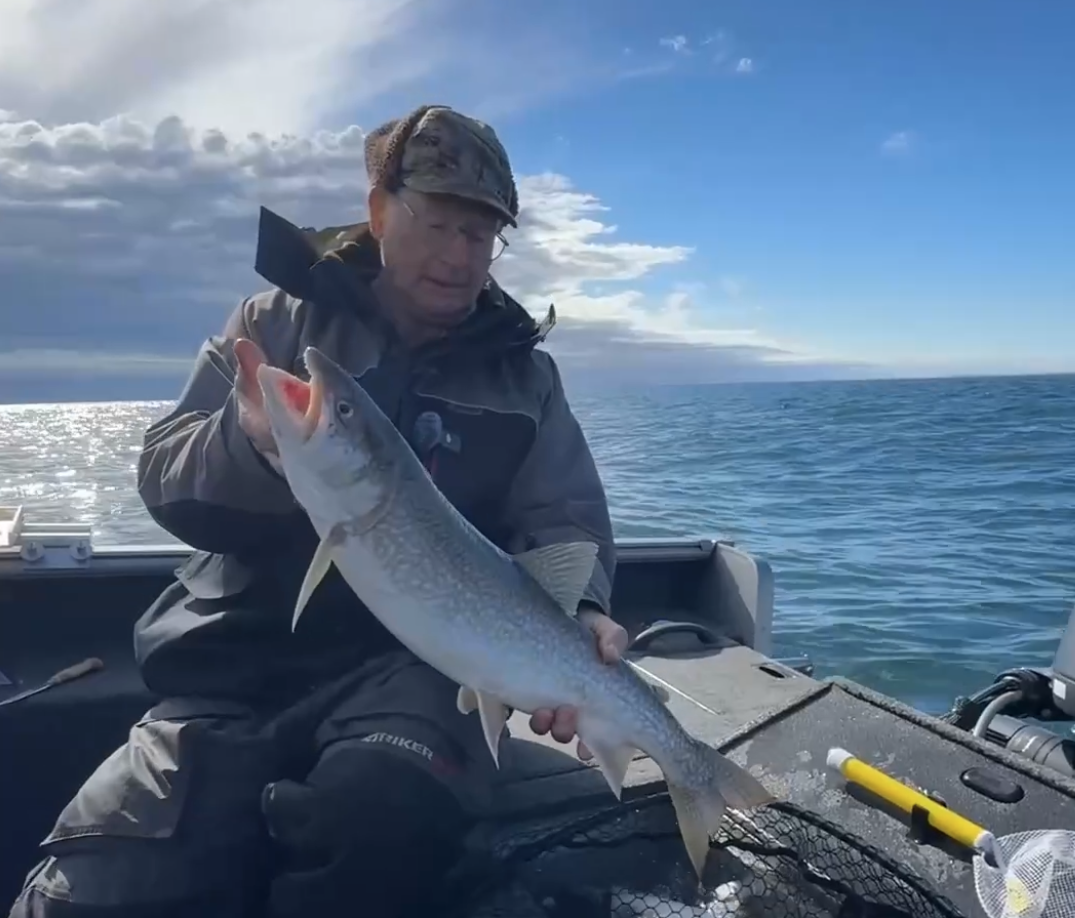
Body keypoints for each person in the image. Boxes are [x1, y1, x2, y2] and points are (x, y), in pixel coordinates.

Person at [10, 104, 626, 918]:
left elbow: (564, 519)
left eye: (480, 238)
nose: (457, 256)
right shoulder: (273, 326)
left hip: (420, 678)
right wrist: (255, 446)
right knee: (97, 890)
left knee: (376, 823)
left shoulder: (525, 381)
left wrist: (578, 616)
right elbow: (164, 477)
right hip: (232, 668)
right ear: (378, 211)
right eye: (437, 223)